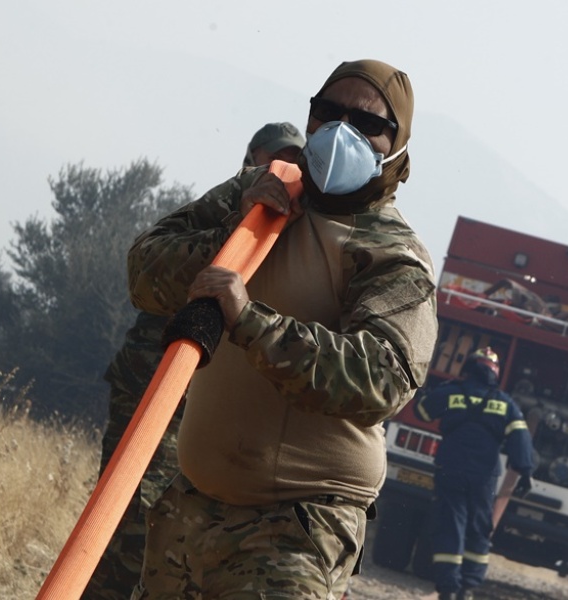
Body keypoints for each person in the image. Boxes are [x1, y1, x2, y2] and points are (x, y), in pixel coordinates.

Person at [126, 59, 438, 599]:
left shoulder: (392, 255)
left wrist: (249, 320)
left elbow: (381, 381)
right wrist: (229, 235)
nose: (343, 131)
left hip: (297, 524)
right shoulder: (258, 191)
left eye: (367, 125)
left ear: (397, 146)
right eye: (329, 112)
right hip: (191, 508)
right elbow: (144, 273)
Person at [82, 123, 306, 600]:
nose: (282, 170)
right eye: (274, 158)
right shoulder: (224, 205)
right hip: (155, 387)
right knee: (128, 519)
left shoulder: (301, 225)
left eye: (294, 161)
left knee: (176, 538)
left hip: (217, 414)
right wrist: (235, 232)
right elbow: (149, 269)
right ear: (252, 157)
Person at [413, 347, 535, 600]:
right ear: (496, 374)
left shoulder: (451, 393)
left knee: (451, 525)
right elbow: (521, 439)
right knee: (480, 528)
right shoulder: (505, 404)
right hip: (484, 476)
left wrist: (427, 391)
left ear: (468, 368)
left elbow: (422, 412)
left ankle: (447, 589)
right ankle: (468, 588)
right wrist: (525, 470)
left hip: (451, 469)